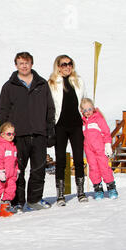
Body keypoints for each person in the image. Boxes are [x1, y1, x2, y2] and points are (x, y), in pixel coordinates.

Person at [0, 52, 56, 212]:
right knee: (17, 170)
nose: (24, 66)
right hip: (17, 135)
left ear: (32, 64)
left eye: (27, 63)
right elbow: (3, 111)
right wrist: (4, 134)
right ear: (16, 65)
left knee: (38, 169)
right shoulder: (9, 86)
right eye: (21, 63)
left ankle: (34, 199)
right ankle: (17, 201)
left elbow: (50, 108)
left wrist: (50, 128)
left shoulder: (42, 84)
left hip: (39, 133)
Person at [48, 55, 88, 206]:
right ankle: (60, 194)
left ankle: (81, 191)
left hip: (76, 124)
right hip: (60, 125)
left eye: (69, 64)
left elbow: (85, 101)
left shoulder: (79, 81)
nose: (67, 67)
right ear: (58, 66)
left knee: (78, 158)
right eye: (63, 64)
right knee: (61, 160)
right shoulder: (52, 83)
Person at [80, 98, 118, 200]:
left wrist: (108, 145)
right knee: (93, 169)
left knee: (104, 167)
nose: (87, 112)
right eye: (84, 110)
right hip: (89, 151)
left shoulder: (98, 119)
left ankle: (111, 187)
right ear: (81, 111)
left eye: (89, 109)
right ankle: (98, 188)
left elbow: (106, 132)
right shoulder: (83, 122)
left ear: (93, 108)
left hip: (100, 149)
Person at [0, 122, 19, 218]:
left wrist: (16, 171)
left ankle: (4, 207)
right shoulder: (1, 145)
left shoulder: (13, 146)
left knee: (11, 190)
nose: (11, 136)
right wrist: (1, 171)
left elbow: (15, 161)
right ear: (2, 134)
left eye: (13, 134)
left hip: (11, 175)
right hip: (1, 174)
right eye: (8, 134)